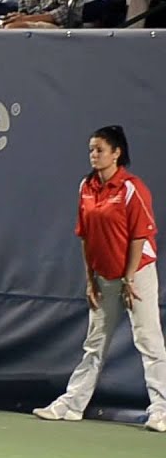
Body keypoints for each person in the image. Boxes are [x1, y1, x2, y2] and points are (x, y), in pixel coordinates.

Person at [34, 126, 166, 432]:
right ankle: (72, 404)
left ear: (116, 153)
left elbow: (140, 236)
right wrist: (90, 280)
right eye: (91, 150)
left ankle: (161, 410)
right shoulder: (86, 187)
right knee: (94, 344)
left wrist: (130, 278)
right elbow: (86, 237)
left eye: (100, 150)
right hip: (103, 275)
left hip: (138, 273)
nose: (94, 155)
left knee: (148, 340)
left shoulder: (133, 188)